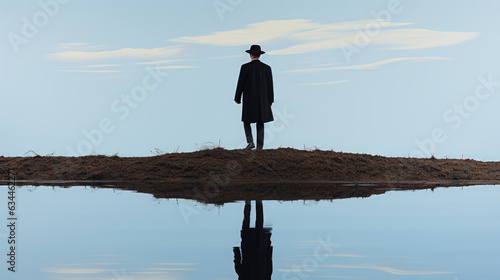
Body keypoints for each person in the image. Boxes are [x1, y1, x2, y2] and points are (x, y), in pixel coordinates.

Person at [234, 45, 274, 150]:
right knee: (260, 122)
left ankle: (250, 142)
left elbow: (240, 84)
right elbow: (270, 86)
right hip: (263, 99)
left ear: (250, 55)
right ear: (260, 55)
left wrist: (237, 98)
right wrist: (270, 100)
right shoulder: (267, 68)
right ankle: (260, 147)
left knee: (246, 121)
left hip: (249, 99)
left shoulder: (245, 67)